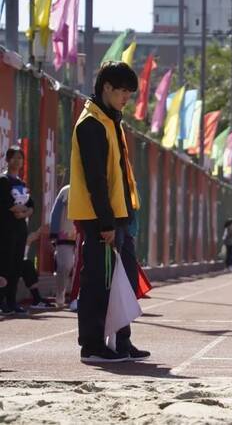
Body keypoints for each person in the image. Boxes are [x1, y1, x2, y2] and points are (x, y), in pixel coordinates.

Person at [68, 61, 149, 363]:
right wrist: (106, 222)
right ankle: (91, 345)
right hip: (101, 218)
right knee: (98, 282)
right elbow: (96, 179)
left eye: (130, 92)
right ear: (106, 89)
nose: (126, 97)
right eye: (122, 91)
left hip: (121, 214)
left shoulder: (112, 119)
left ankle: (121, 341)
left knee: (123, 280)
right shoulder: (91, 123)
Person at [0, 146, 35, 315]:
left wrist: (26, 212)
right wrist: (18, 210)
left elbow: (31, 205)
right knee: (4, 265)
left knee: (16, 265)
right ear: (7, 160)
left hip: (21, 229)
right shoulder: (3, 180)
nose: (17, 161)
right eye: (14, 157)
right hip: (6, 230)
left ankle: (12, 301)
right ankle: (1, 301)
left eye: (20, 158)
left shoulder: (22, 183)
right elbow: (6, 203)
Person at [49, 184, 78, 307]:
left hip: (83, 235)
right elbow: (55, 212)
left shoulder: (92, 189)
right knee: (65, 266)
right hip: (65, 234)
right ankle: (60, 295)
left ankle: (76, 296)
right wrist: (54, 233)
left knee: (80, 268)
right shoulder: (66, 191)